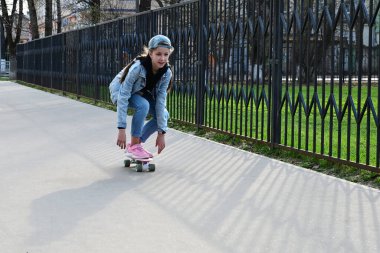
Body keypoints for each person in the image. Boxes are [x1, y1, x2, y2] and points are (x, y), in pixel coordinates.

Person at [113, 35, 174, 159]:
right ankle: (135, 145)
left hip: (140, 92)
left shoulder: (166, 73)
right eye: (158, 54)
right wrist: (121, 129)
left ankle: (135, 146)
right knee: (143, 105)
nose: (162, 58)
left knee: (164, 114)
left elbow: (161, 100)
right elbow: (123, 96)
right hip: (120, 91)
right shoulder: (137, 68)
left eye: (166, 54)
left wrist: (161, 132)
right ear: (150, 53)